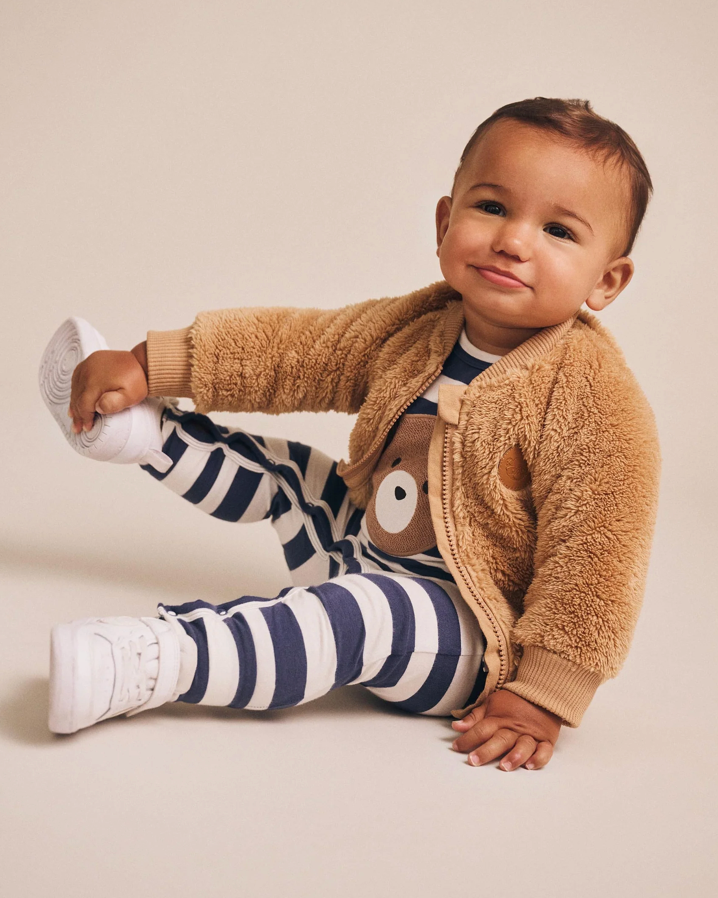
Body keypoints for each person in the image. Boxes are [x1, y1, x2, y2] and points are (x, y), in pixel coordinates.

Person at [40, 97, 661, 771]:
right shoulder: (419, 325)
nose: (514, 240)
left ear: (608, 280)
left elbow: (599, 558)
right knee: (293, 476)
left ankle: (163, 658)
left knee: (354, 614)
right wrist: (153, 363)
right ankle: (140, 432)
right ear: (445, 221)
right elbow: (295, 351)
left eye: (560, 232)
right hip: (361, 548)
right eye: (491, 208)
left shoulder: (593, 398)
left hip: (463, 637)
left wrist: (542, 694)